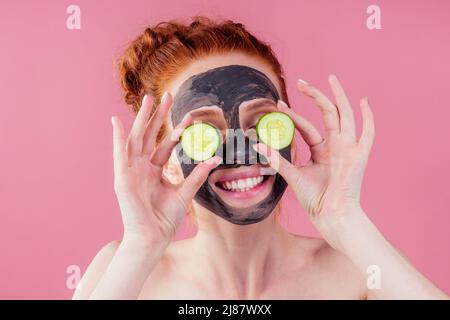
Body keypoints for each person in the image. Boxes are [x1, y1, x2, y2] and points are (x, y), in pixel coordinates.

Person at [72, 16, 449, 300]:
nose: (240, 150)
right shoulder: (124, 271)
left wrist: (344, 219)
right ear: (166, 157)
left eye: (263, 122)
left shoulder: (360, 268)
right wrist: (141, 245)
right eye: (205, 131)